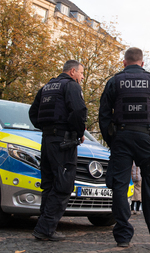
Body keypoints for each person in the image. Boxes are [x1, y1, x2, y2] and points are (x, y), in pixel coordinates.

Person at [99, 47, 150, 247]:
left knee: (120, 186)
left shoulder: (114, 81)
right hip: (147, 137)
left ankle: (122, 237)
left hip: (121, 136)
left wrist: (112, 140)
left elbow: (103, 115)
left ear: (124, 63)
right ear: (142, 63)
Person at [29, 60, 87, 241]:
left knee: (48, 184)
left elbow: (33, 113)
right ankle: (45, 229)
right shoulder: (71, 86)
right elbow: (78, 111)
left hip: (47, 140)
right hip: (63, 141)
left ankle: (44, 227)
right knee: (63, 185)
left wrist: (47, 128)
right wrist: (78, 132)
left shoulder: (47, 87)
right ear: (72, 71)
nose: (82, 77)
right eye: (81, 73)